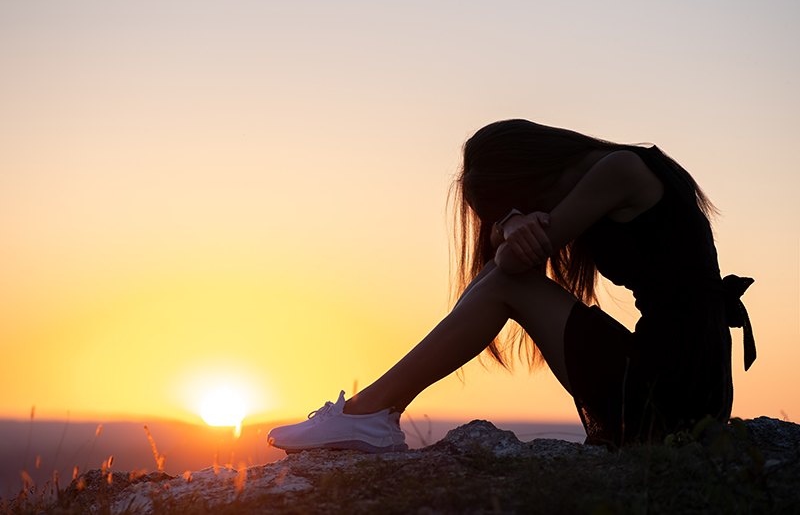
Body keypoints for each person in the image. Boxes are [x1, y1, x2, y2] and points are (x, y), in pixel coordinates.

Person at [268, 119, 755, 452]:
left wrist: (511, 227)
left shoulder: (620, 170)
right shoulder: (610, 172)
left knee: (505, 280)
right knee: (501, 275)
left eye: (524, 200)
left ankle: (368, 413)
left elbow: (513, 265)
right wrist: (511, 221)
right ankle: (368, 413)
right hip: (682, 375)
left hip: (674, 385)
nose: (538, 213)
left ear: (530, 173)